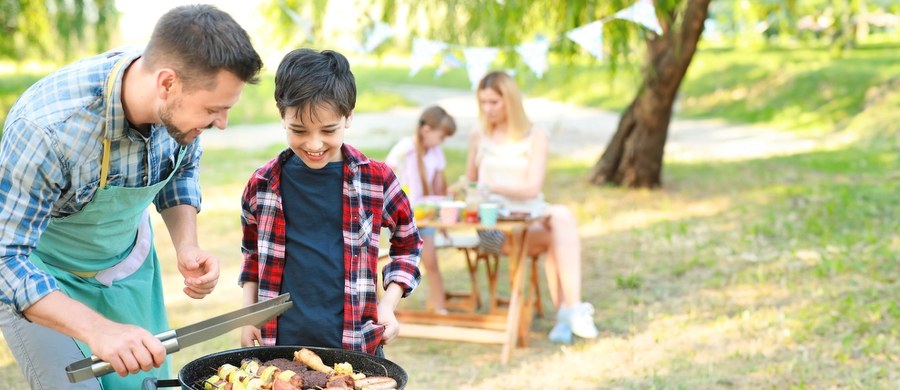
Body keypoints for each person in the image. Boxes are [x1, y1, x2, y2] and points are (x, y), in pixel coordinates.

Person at [0, 4, 263, 389]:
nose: (220, 124)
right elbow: (6, 259)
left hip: (128, 269)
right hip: (42, 280)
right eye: (213, 110)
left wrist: (186, 246)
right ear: (167, 84)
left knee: (148, 385)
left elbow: (182, 169)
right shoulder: (46, 130)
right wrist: (100, 331)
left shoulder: (176, 109)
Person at [238, 48, 422, 357]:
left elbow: (409, 244)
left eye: (328, 130)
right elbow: (252, 254)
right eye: (298, 130)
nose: (313, 144)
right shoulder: (262, 184)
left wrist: (387, 306)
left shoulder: (376, 179)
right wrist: (249, 315)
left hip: (355, 345)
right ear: (282, 115)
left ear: (348, 116)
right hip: (281, 344)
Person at [465, 71, 599, 344]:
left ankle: (567, 312)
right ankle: (571, 311)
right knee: (561, 230)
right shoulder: (478, 135)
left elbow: (532, 189)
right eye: (484, 103)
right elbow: (470, 184)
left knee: (561, 219)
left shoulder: (536, 136)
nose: (488, 109)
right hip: (494, 229)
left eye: (494, 102)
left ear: (510, 101)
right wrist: (486, 190)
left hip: (531, 221)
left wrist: (491, 185)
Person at [385, 106, 457, 314]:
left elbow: (438, 186)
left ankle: (439, 306)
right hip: (402, 219)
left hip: (425, 218)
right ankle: (388, 310)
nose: (442, 141)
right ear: (426, 130)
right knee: (393, 265)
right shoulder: (405, 149)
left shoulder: (435, 154)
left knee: (431, 263)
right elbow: (389, 177)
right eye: (441, 136)